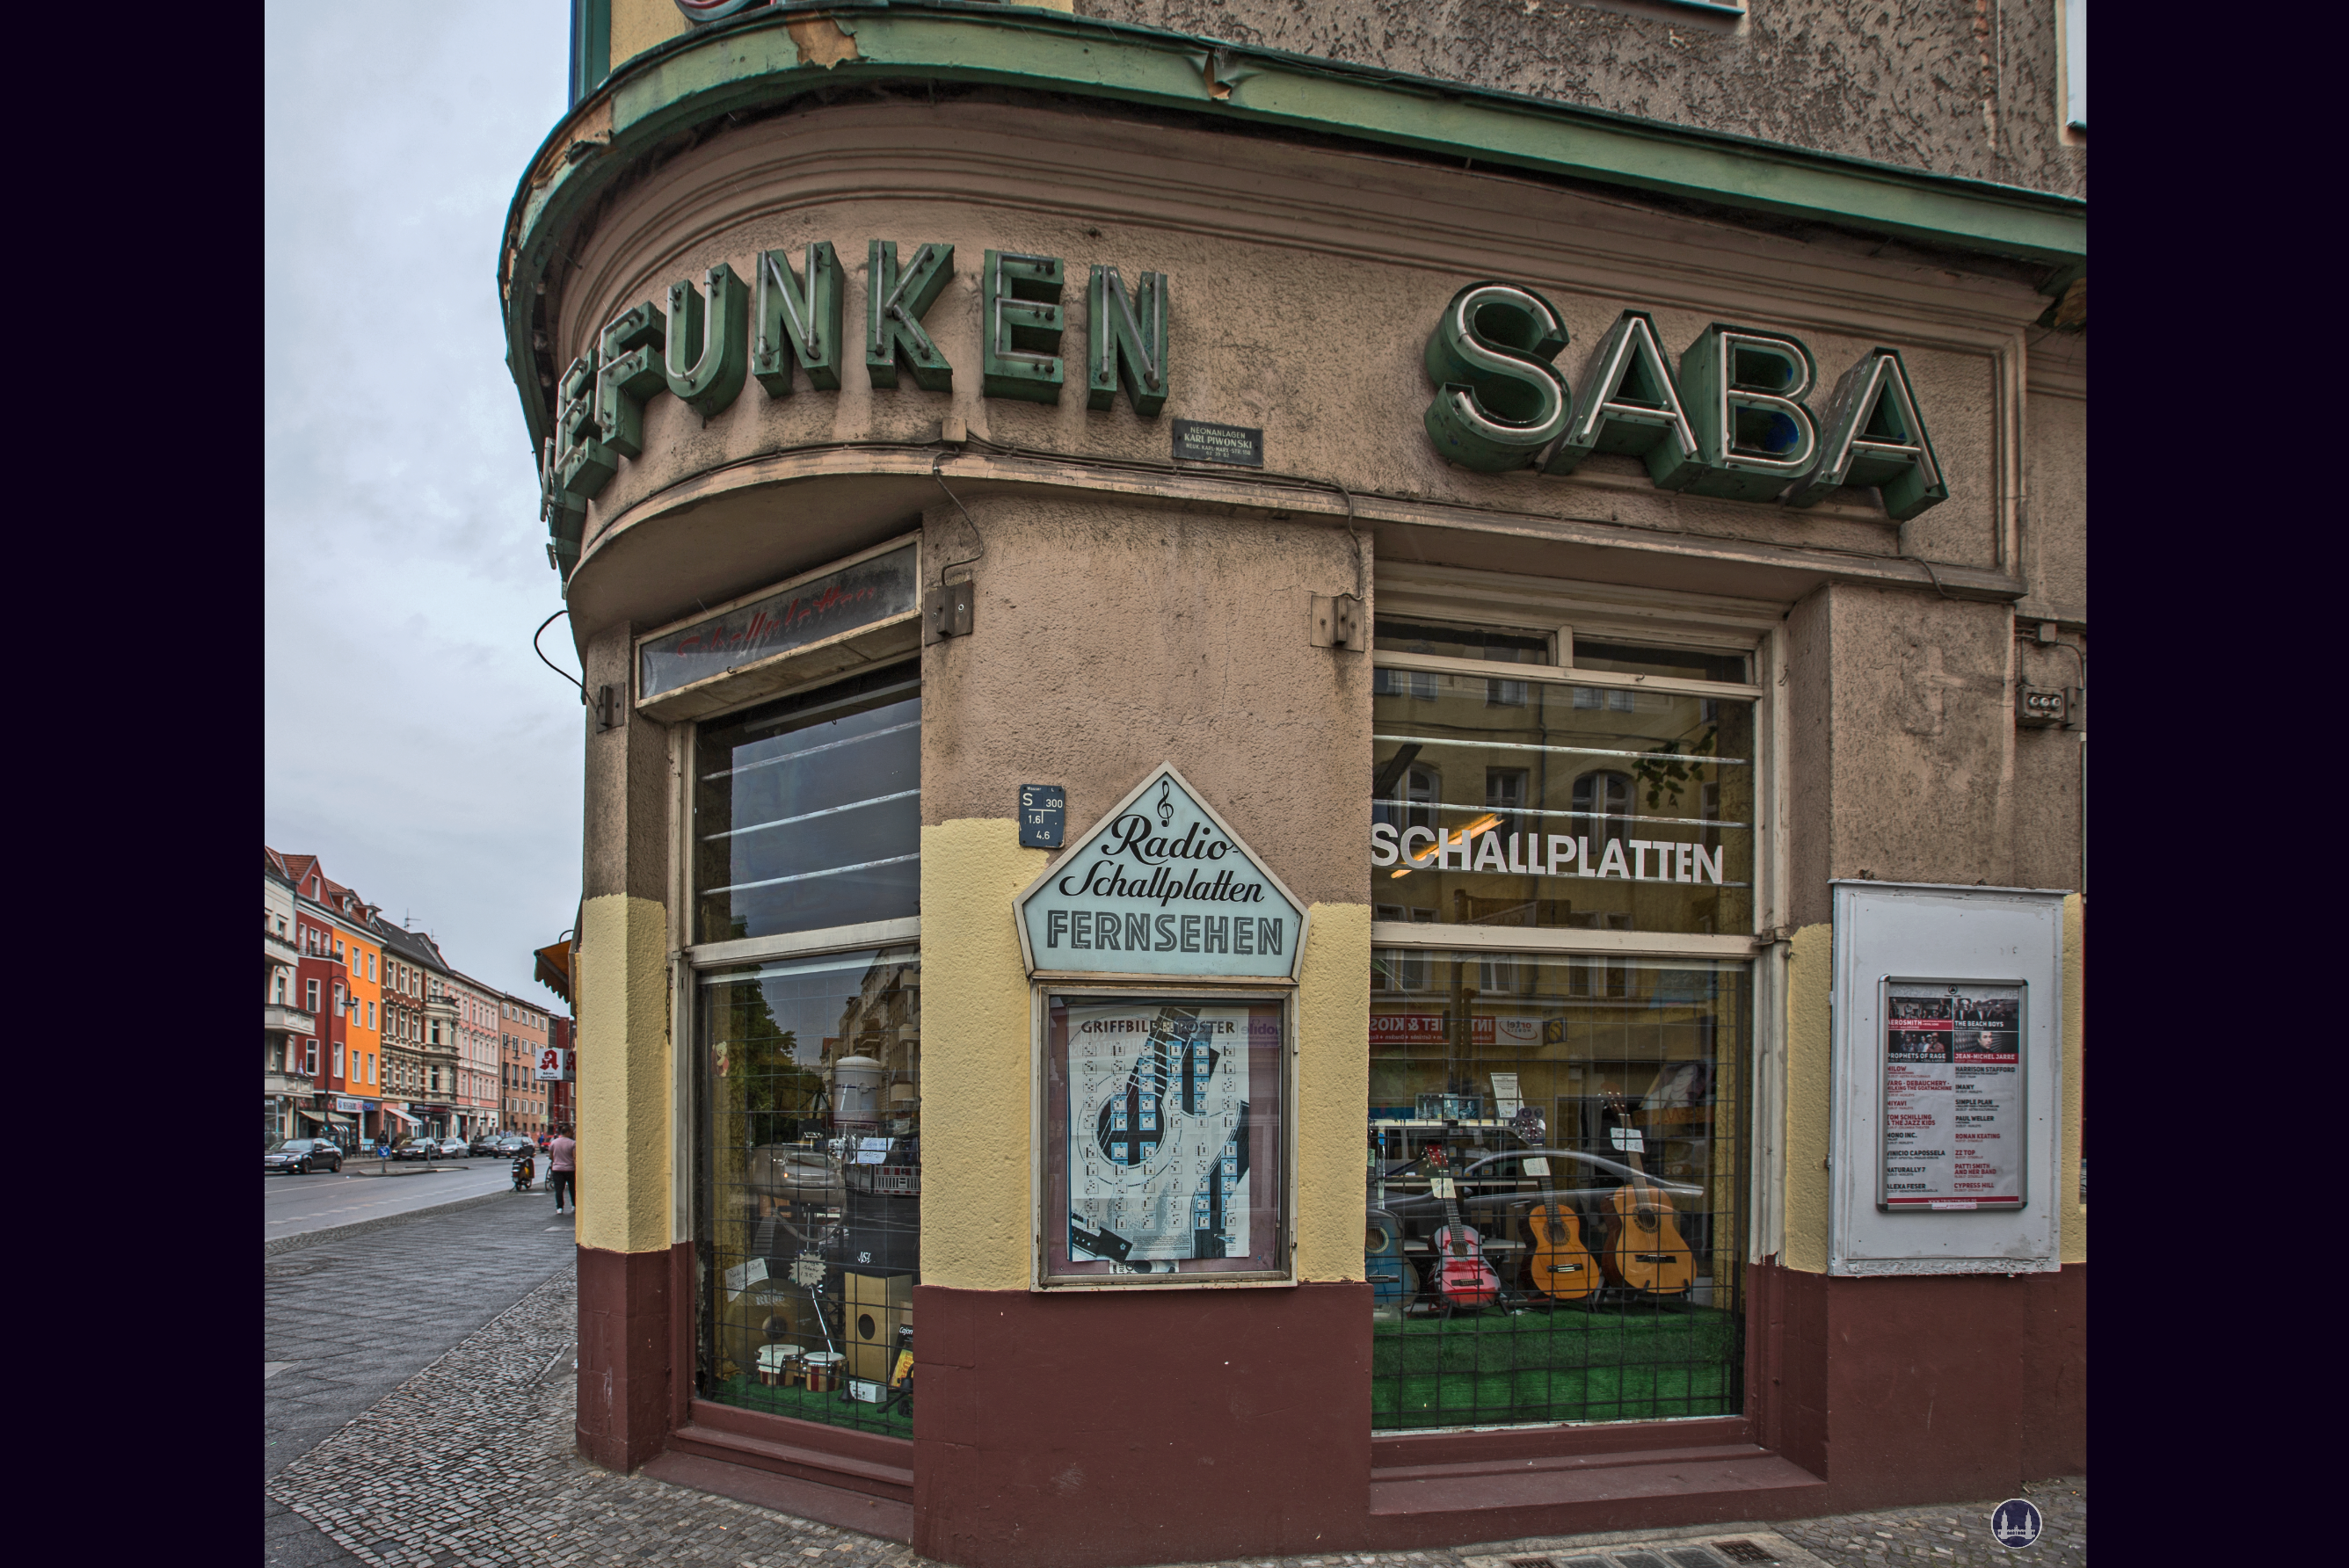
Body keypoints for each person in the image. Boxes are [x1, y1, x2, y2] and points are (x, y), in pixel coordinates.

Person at [549, 1123, 577, 1216]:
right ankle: (574, 1205)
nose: (573, 1134)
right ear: (568, 1132)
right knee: (572, 1188)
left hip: (557, 1169)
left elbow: (551, 1156)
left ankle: (559, 1208)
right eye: (572, 1132)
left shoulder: (554, 1142)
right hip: (570, 1169)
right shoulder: (573, 1143)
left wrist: (556, 1161)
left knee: (559, 1189)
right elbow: (575, 1156)